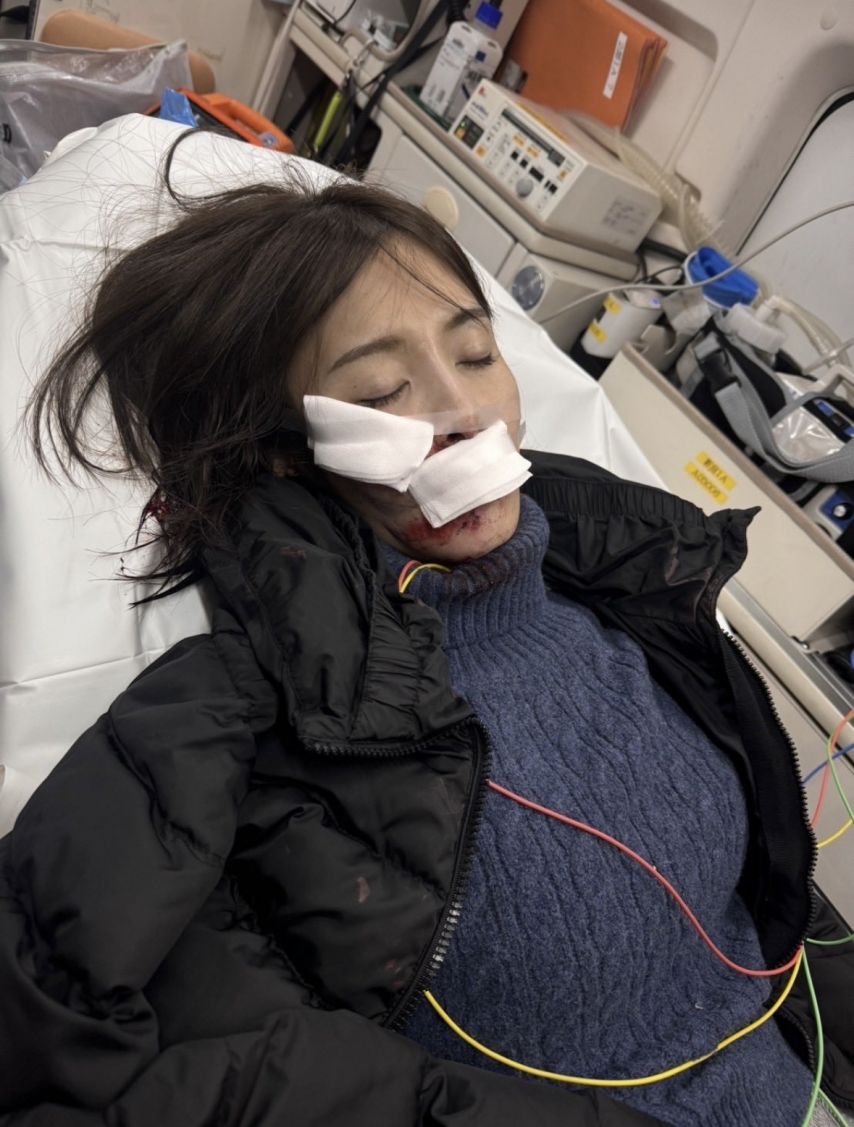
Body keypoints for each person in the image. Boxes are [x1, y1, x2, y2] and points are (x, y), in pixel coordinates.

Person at [2, 147, 852, 1127]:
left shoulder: (634, 590)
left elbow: (767, 926)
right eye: (378, 394)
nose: (462, 411)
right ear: (285, 451)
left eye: (477, 354)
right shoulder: (233, 714)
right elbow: (54, 1044)